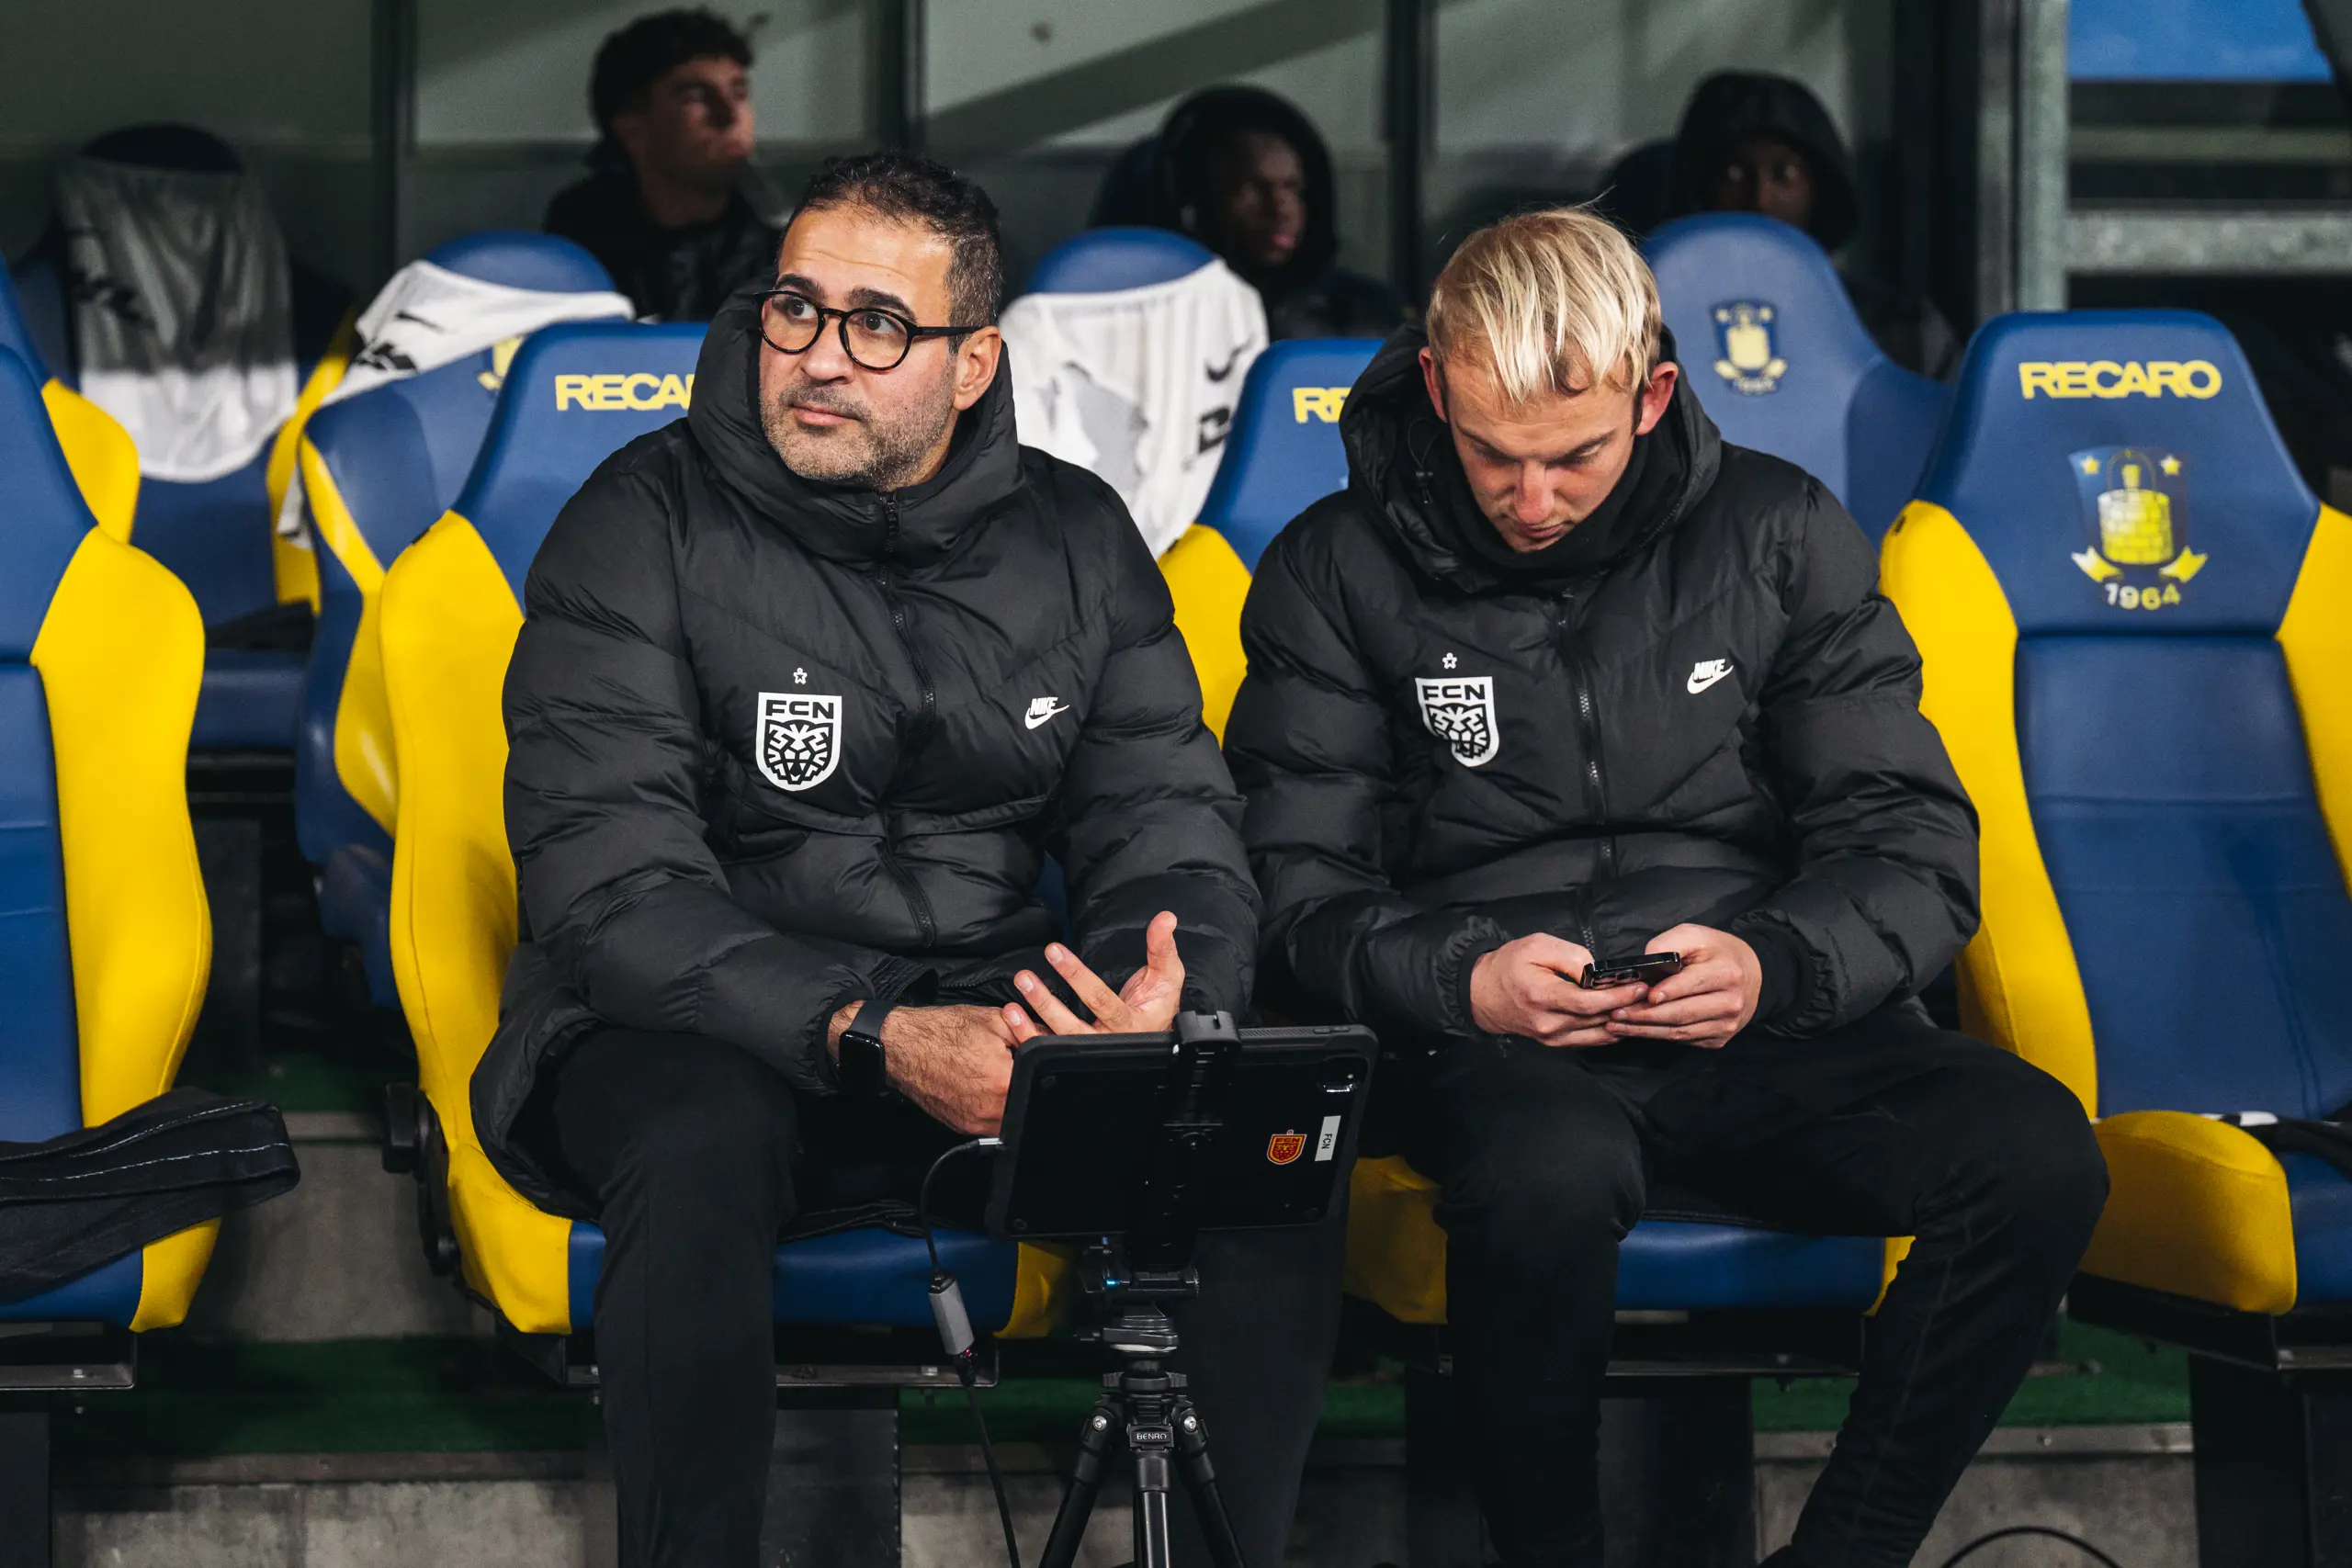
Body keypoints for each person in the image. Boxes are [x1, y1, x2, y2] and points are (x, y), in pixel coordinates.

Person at [476, 151, 1339, 1568]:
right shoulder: (638, 520)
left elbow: (1168, 831)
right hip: (701, 1024)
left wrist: (1155, 1004)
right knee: (695, 1143)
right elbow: (609, 890)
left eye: (878, 324)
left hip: (994, 1017)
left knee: (1251, 1154)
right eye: (795, 309)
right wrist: (874, 1028)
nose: (820, 356)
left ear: (972, 362)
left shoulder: (1077, 536)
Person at [1223, 208, 2108, 1568]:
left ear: (1652, 395)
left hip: (1762, 1019)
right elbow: (1293, 891)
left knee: (2039, 1154)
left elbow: (1909, 843)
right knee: (1546, 1171)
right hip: (1496, 1045)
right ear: (1439, 389)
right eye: (1493, 454)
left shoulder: (1779, 529)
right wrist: (1467, 979)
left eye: (1572, 455)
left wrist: (1774, 964)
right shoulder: (1331, 566)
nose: (1531, 498)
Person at [1657, 70, 1959, 378]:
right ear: (1699, 191)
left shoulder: (1903, 333)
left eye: (1785, 174)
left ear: (1820, 191)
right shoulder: (1651, 326)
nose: (1761, 200)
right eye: (1734, 175)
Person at [1092, 85, 1408, 340]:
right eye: (1253, 189)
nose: (1280, 208)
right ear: (1194, 201)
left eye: (1293, 189)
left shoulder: (1365, 315)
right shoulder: (1137, 318)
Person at [543, 8, 781, 321]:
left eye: (738, 93)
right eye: (697, 97)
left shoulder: (781, 258)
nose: (729, 116)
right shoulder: (574, 257)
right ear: (632, 128)